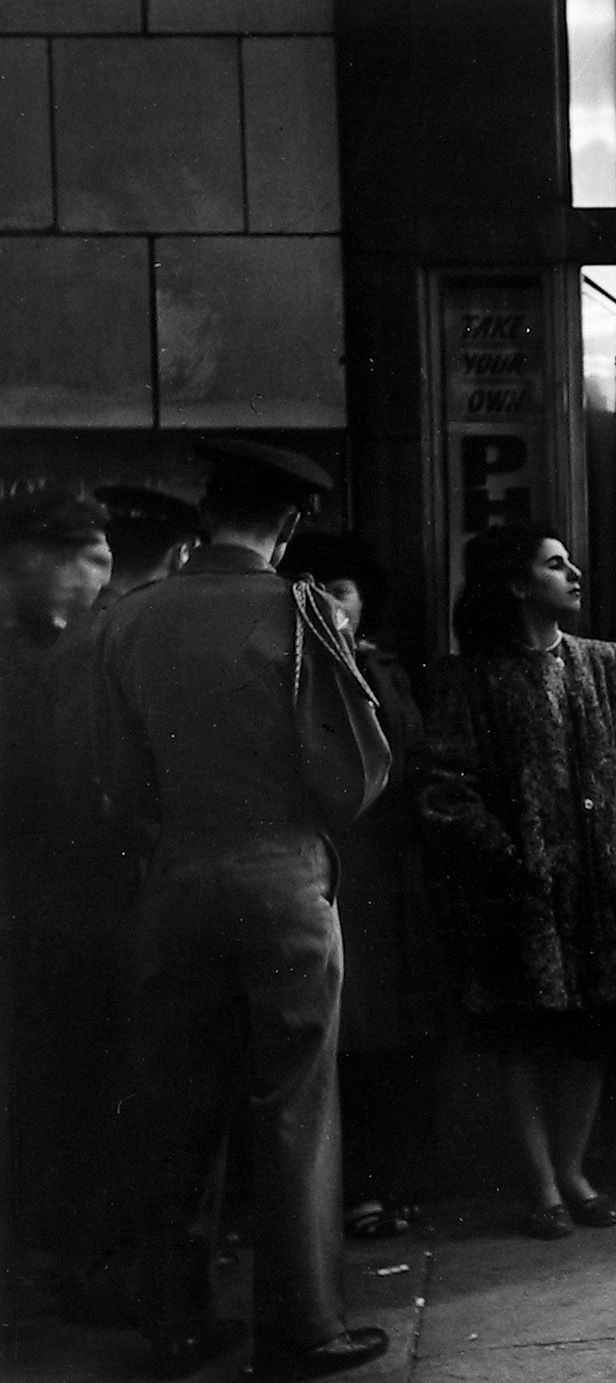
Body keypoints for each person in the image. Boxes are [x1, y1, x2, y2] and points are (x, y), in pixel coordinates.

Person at [92, 439, 389, 1381]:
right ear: (291, 520)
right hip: (281, 878)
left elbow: (116, 776)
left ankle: (178, 1319)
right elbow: (354, 771)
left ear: (208, 510)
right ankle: (301, 1324)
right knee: (293, 1098)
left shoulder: (130, 620)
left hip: (173, 879)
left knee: (176, 1103)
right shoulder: (300, 613)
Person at [417, 523, 616, 1241]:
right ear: (519, 584)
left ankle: (574, 1169)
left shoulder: (609, 665)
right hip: (517, 888)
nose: (575, 574)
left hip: (598, 883)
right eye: (555, 564)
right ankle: (541, 1184)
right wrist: (505, 852)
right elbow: (443, 788)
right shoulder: (469, 678)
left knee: (590, 1031)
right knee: (523, 1036)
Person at [41, 485, 203, 1324]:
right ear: (177, 558)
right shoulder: (115, 637)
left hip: (89, 895)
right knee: (123, 1089)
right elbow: (94, 783)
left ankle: (105, 1261)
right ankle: (105, 1269)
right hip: (111, 897)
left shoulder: (92, 636)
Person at [280, 533, 441, 1242]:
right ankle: (343, 1192)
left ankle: (385, 1178)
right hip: (325, 865)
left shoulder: (388, 671)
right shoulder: (286, 671)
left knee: (384, 1034)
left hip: (384, 871)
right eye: (314, 591)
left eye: (340, 591)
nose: (329, 606)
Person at [0, 485, 112, 1324]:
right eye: (81, 558)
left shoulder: (65, 650)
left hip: (62, 908)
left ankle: (63, 1259)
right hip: (28, 903)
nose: (96, 577)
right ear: (25, 557)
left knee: (63, 1090)